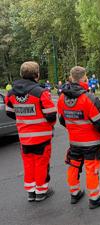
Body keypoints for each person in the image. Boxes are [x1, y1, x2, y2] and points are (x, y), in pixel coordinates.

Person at [57, 66, 100, 209]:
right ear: (85, 78)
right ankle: (95, 198)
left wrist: (74, 129)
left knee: (73, 166)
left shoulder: (62, 97)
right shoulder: (89, 98)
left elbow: (62, 120)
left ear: (70, 78)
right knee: (91, 169)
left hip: (74, 141)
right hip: (91, 142)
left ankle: (74, 193)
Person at [5, 61, 57, 202]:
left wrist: (23, 119)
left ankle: (31, 191)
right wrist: (48, 125)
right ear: (37, 75)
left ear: (22, 74)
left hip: (24, 137)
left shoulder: (11, 93)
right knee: (41, 164)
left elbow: (9, 112)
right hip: (42, 136)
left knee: (28, 164)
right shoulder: (41, 92)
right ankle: (41, 191)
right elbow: (52, 115)